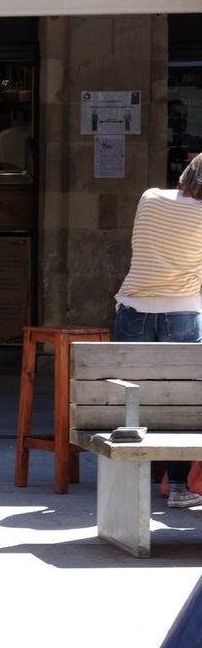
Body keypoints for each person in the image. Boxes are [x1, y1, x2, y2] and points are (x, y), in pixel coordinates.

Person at [113, 153, 202, 509]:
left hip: (134, 309)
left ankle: (125, 483)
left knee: (127, 398)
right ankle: (178, 486)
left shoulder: (150, 197)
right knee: (183, 403)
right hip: (183, 312)